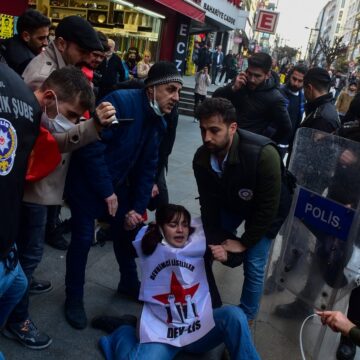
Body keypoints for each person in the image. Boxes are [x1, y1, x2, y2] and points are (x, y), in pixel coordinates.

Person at [2, 66, 116, 350]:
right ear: (50, 97)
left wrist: (93, 127)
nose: (74, 122)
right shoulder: (23, 103)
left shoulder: (34, 110)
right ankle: (18, 321)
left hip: (13, 209)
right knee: (23, 266)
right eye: (73, 116)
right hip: (18, 203)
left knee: (18, 275)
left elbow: (56, 141)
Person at [63, 61, 183, 330]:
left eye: (178, 92)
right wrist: (106, 191)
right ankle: (73, 298)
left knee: (127, 229)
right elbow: (90, 147)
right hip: (87, 184)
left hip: (117, 185)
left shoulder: (158, 120)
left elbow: (147, 167)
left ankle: (128, 283)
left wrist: (137, 208)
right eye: (171, 89)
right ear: (152, 89)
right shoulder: (119, 101)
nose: (176, 98)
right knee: (82, 240)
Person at [92, 204, 260, 360]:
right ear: (160, 228)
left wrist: (227, 256)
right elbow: (125, 249)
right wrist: (127, 228)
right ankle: (124, 332)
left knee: (235, 316)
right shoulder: (149, 238)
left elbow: (236, 251)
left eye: (184, 224)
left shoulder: (202, 237)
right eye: (173, 225)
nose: (180, 230)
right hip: (162, 331)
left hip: (200, 325)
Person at [193, 97, 290, 321]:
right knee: (201, 244)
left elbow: (267, 208)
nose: (207, 138)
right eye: (203, 130)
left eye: (214, 130)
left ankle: (245, 317)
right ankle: (203, 302)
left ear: (233, 127)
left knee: (254, 262)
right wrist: (213, 236)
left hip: (269, 208)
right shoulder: (202, 158)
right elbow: (208, 203)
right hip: (233, 200)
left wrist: (244, 242)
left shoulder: (263, 154)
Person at [0, 63, 41, 345]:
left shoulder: (24, 93)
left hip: (6, 244)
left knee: (17, 286)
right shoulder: (25, 93)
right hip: (6, 235)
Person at [213, 52, 292, 146]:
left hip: (249, 149)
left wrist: (266, 145)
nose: (252, 79)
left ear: (268, 75)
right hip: (224, 141)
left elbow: (286, 128)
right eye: (249, 73)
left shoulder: (275, 97)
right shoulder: (240, 82)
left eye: (257, 76)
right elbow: (214, 101)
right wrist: (232, 88)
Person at [22, 15, 103, 90]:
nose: (87, 59)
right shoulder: (44, 78)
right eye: (82, 52)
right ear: (61, 44)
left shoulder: (61, 66)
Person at [2, 9, 50, 75]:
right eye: (41, 38)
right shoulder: (28, 63)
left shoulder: (8, 43)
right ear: (26, 36)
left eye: (47, 37)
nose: (46, 43)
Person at [278, 64, 307, 158]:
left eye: (300, 81)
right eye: (294, 79)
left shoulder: (302, 98)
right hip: (272, 141)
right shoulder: (278, 92)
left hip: (286, 144)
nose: (296, 83)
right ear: (289, 76)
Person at [300, 67, 340, 133]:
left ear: (309, 88)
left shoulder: (321, 119)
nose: (304, 93)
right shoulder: (326, 108)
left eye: (303, 89)